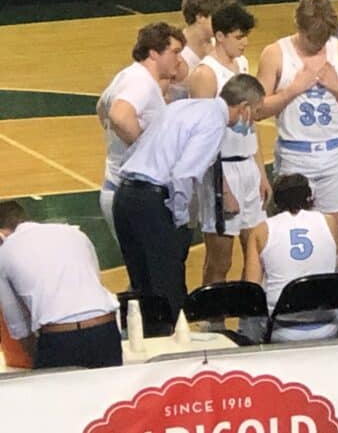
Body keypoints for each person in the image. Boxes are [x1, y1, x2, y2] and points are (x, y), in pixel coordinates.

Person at [112, 74, 265, 319]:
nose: (253, 120)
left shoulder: (182, 106)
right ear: (244, 108)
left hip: (125, 197)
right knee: (168, 292)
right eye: (255, 112)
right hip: (153, 202)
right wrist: (180, 217)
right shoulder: (214, 123)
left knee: (142, 289)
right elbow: (184, 174)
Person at [257, 0, 338, 232]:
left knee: (332, 235)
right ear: (299, 26)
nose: (318, 44)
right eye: (313, 38)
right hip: (295, 154)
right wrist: (292, 90)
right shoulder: (275, 53)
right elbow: (258, 110)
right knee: (294, 231)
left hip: (334, 153)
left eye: (324, 38)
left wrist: (337, 88)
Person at [189, 3, 270, 288]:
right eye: (238, 36)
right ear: (219, 36)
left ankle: (252, 315)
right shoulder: (205, 74)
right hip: (221, 170)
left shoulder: (244, 65)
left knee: (257, 251)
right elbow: (203, 137)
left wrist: (260, 171)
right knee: (221, 260)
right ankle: (214, 319)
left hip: (246, 163)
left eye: (246, 36)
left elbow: (252, 123)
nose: (244, 42)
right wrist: (223, 187)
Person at [0, 201, 122, 369]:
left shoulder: (4, 253)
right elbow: (95, 279)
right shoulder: (75, 233)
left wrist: (37, 360)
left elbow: (18, 326)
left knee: (56, 393)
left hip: (59, 338)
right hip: (105, 328)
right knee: (110, 392)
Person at [97, 22, 185, 240]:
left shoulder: (126, 75)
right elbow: (119, 115)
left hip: (118, 188)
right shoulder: (141, 82)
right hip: (131, 194)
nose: (179, 59)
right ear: (154, 53)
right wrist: (145, 151)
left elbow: (102, 108)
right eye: (174, 52)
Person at [243, 174, 338, 342]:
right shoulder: (330, 222)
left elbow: (252, 289)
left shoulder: (261, 231)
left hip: (281, 328)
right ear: (309, 198)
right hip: (327, 325)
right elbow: (334, 265)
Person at [169, 0, 236, 101]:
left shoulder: (218, 43)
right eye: (218, 17)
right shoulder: (177, 54)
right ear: (200, 17)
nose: (224, 23)